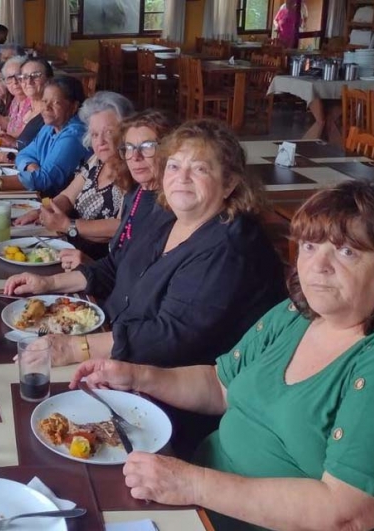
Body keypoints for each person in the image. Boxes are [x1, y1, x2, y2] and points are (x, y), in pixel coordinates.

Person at [71, 180, 374, 531]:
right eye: (309, 246)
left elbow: (347, 513)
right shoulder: (294, 314)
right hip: (186, 498)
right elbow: (220, 386)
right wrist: (136, 375)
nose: (318, 265)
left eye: (346, 251)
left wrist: (192, 483)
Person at [4, 119, 286, 368]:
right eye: (174, 166)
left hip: (163, 382)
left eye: (199, 169)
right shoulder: (167, 214)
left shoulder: (231, 247)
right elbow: (116, 266)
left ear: (230, 183)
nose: (181, 178)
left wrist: (75, 348)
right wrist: (49, 284)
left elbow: (171, 337)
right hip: (116, 342)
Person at [14, 92, 138, 260]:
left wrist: (69, 225)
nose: (100, 141)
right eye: (94, 134)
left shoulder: (133, 170)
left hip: (95, 260)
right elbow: (67, 196)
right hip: (67, 244)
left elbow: (119, 226)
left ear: (126, 133)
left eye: (109, 132)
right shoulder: (97, 161)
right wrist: (42, 211)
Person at [56, 109, 177, 268]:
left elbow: (139, 283)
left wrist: (69, 226)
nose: (135, 156)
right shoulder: (137, 194)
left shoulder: (172, 207)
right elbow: (120, 269)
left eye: (147, 146)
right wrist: (89, 266)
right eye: (129, 147)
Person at [0, 76, 90, 196]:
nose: (46, 107)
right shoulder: (50, 126)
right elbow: (23, 154)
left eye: (55, 103)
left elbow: (46, 180)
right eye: (44, 101)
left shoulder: (74, 135)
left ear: (74, 107)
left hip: (63, 207)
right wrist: (34, 169)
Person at [0, 57, 55, 165]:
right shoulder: (26, 105)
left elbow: (43, 158)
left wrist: (1, 157)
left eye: (36, 76)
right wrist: (12, 141)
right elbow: (27, 143)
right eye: (24, 77)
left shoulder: (50, 112)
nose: (28, 81)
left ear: (49, 80)